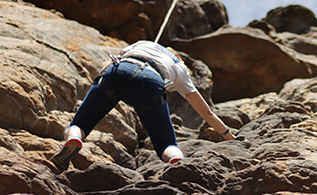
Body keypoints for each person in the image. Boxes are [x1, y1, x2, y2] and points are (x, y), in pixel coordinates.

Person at [50, 40, 235, 171]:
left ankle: (73, 139)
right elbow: (206, 112)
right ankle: (176, 159)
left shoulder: (144, 43)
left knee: (80, 124)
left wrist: (101, 87)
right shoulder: (181, 68)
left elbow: (105, 67)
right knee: (166, 144)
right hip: (151, 83)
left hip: (119, 71)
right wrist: (230, 138)